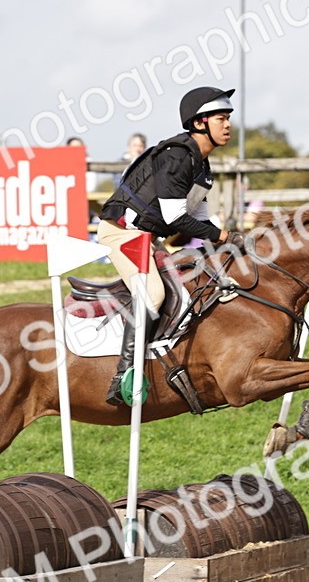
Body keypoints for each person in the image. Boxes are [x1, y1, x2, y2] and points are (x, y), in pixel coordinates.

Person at [96, 86, 244, 406]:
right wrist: (223, 237)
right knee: (154, 294)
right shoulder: (176, 157)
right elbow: (176, 218)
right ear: (200, 123)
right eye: (221, 118)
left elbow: (200, 219)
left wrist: (225, 242)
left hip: (151, 239)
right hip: (122, 234)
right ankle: (123, 376)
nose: (228, 124)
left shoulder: (201, 166)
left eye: (228, 118)